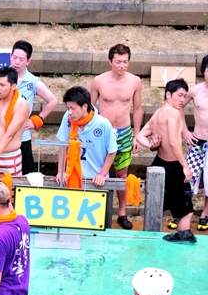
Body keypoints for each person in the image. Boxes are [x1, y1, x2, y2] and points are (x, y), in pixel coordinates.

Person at [0, 40, 59, 175]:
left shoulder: (31, 82)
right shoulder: (0, 78)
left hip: (19, 138)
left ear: (28, 61)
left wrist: (37, 120)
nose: (17, 62)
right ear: (10, 56)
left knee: (23, 178)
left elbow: (53, 101)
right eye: (14, 57)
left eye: (21, 59)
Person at [90, 44, 143, 229]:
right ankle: (95, 209)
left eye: (125, 62)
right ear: (110, 61)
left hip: (123, 131)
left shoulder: (135, 81)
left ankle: (122, 212)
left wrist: (137, 135)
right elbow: (90, 109)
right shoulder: (98, 81)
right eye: (118, 62)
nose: (122, 65)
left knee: (122, 174)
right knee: (98, 170)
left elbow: (137, 109)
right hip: (102, 132)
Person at [136, 79, 195, 244]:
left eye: (184, 96)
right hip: (173, 165)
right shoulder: (174, 113)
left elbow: (140, 135)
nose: (182, 100)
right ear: (168, 94)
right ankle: (182, 237)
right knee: (186, 209)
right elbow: (173, 143)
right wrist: (185, 166)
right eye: (179, 95)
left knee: (158, 203)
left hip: (159, 162)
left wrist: (150, 145)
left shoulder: (159, 112)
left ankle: (151, 238)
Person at [55, 86, 117, 189]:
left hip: (95, 179)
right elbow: (63, 145)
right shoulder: (67, 117)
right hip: (72, 176)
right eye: (68, 108)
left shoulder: (103, 124)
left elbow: (112, 150)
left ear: (84, 106)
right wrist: (61, 171)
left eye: (73, 108)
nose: (70, 112)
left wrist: (102, 174)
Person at [184, 55, 208, 231]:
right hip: (197, 141)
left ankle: (205, 214)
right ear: (203, 71)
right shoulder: (195, 91)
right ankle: (185, 213)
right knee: (189, 178)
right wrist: (185, 130)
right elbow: (176, 107)